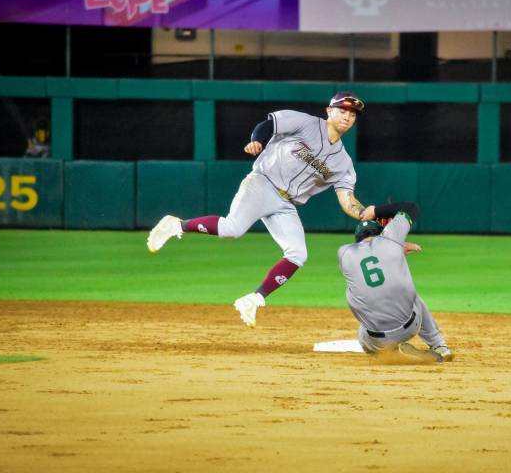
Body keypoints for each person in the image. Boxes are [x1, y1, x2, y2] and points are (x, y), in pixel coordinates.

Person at [147, 91, 376, 328]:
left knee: (298, 255)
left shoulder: (343, 163)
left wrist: (364, 213)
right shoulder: (304, 123)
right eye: (342, 110)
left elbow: (346, 199)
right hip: (263, 182)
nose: (347, 117)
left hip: (287, 204)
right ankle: (176, 225)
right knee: (231, 229)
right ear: (329, 111)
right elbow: (267, 126)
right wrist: (257, 140)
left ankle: (253, 299)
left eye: (352, 114)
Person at [337, 201, 454, 363]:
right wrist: (375, 211)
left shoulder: (344, 253)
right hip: (411, 327)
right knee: (412, 296)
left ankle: (390, 353)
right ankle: (439, 345)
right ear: (380, 232)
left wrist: (397, 248)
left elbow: (369, 260)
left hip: (375, 340)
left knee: (359, 299)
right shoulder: (390, 238)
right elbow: (411, 207)